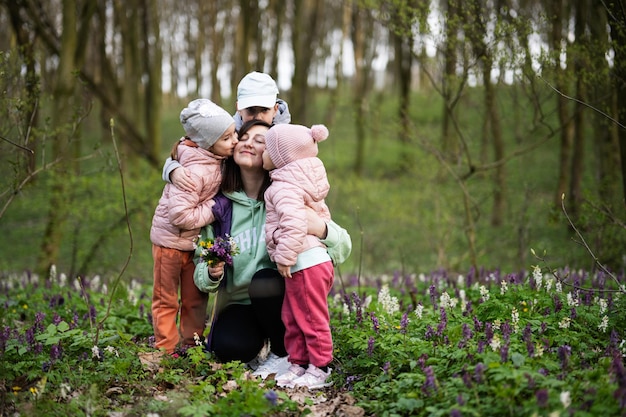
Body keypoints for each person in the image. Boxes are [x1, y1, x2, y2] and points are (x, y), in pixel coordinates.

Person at [191, 120, 351, 382]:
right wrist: (210, 272)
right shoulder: (219, 206)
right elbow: (201, 266)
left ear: (275, 155)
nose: (248, 143)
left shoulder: (288, 195)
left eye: (260, 140)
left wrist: (321, 228)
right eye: (243, 137)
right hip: (239, 302)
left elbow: (343, 246)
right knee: (229, 348)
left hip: (281, 297)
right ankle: (260, 343)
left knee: (264, 280)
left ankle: (283, 353)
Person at [150, 99, 237, 354]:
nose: (235, 141)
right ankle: (165, 349)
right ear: (209, 143)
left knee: (195, 298)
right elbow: (180, 216)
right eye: (227, 138)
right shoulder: (193, 172)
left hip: (193, 244)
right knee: (167, 299)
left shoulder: (214, 157)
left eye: (233, 134)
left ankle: (192, 346)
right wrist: (213, 208)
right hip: (169, 243)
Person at [261, 123, 335, 389]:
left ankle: (320, 367)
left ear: (281, 157)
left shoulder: (284, 188)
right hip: (307, 261)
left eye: (267, 149)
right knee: (292, 315)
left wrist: (284, 255)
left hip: (305, 261)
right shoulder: (299, 182)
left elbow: (294, 223)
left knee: (311, 317)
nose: (262, 154)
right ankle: (299, 362)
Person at [162, 71, 290, 190]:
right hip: (232, 196)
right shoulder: (228, 133)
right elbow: (190, 150)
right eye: (251, 110)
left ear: (275, 109)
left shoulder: (288, 137)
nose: (257, 117)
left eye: (264, 110)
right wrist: (173, 170)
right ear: (238, 107)